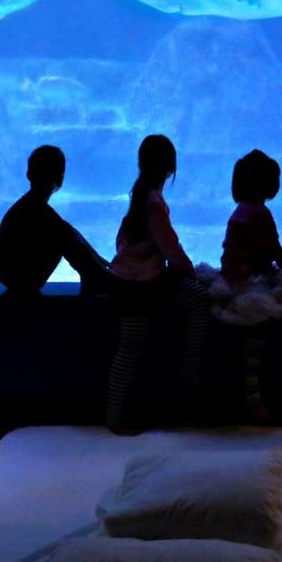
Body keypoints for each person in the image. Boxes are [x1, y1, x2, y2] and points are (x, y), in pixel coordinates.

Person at [196, 150, 282, 422]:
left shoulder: (241, 209)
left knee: (257, 331)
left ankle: (252, 393)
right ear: (268, 184)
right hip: (249, 282)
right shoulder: (260, 213)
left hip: (234, 279)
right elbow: (275, 251)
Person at [104, 135, 211, 434]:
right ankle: (190, 368)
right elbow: (170, 246)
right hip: (137, 287)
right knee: (130, 348)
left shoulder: (139, 194)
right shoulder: (153, 202)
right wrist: (190, 271)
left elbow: (126, 239)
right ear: (168, 168)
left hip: (129, 281)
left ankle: (115, 414)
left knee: (129, 349)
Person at [0, 145, 110, 296]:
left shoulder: (28, 206)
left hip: (10, 276)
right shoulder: (40, 212)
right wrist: (95, 266)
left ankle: (96, 271)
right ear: (60, 179)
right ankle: (96, 275)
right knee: (63, 232)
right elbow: (67, 234)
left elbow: (70, 232)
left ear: (29, 174)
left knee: (65, 230)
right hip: (21, 279)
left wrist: (96, 259)